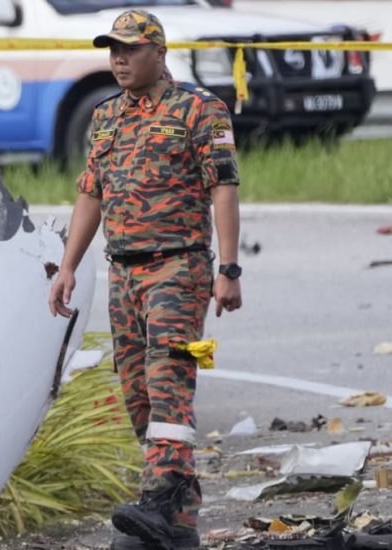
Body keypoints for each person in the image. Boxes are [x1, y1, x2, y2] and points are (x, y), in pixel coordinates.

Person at [48, 9, 242, 550]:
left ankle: (156, 499)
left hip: (179, 267)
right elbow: (91, 192)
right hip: (124, 272)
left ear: (159, 53)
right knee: (137, 394)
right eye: (112, 49)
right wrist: (68, 265)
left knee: (169, 382)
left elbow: (223, 187)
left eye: (130, 49)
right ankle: (178, 520)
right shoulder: (106, 117)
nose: (118, 59)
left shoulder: (200, 110)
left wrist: (228, 268)